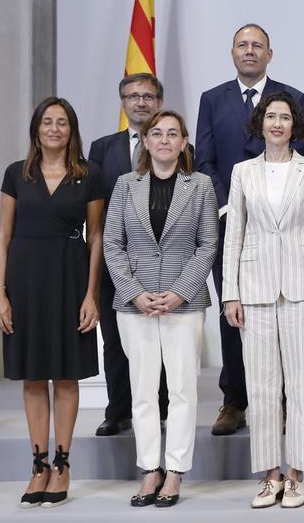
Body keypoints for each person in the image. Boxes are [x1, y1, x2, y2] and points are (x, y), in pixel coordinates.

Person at [221, 92, 304, 509]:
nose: (277, 123)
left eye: (285, 117)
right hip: (254, 287)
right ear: (260, 123)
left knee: (300, 386)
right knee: (262, 386)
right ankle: (269, 475)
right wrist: (230, 293)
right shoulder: (242, 172)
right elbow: (234, 233)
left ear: (295, 125)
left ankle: (297, 475)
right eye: (270, 116)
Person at [196, 23, 304, 436]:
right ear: (232, 53)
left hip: (281, 225)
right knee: (235, 310)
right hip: (230, 222)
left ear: (269, 54)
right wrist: (229, 205)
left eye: (256, 46)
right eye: (242, 45)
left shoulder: (293, 98)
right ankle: (234, 400)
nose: (249, 51)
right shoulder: (212, 100)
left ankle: (278, 398)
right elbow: (204, 160)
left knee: (279, 309)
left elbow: (302, 158)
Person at [102, 110, 218, 508]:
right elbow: (112, 244)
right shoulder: (124, 185)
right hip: (135, 306)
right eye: (157, 133)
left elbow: (207, 244)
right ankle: (150, 468)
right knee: (143, 390)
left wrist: (179, 292)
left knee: (183, 389)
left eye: (173, 134)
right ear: (146, 141)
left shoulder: (200, 185)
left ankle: (175, 472)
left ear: (184, 142)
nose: (165, 140)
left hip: (182, 306)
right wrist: (134, 292)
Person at [0, 97, 103, 508]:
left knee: (67, 375)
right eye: (47, 122)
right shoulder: (16, 174)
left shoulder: (89, 175)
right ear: (36, 129)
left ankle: (63, 461)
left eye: (62, 122)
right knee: (34, 377)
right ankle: (38, 464)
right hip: (24, 282)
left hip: (69, 280)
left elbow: (96, 238)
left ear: (72, 129)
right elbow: (2, 236)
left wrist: (91, 294)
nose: (54, 128)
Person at [87, 72, 169, 436]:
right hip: (115, 259)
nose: (140, 102)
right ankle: (118, 409)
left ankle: (162, 407)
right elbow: (95, 207)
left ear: (159, 103)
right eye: (133, 96)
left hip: (163, 259)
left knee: (164, 336)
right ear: (122, 102)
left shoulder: (175, 146)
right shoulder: (102, 148)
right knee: (116, 338)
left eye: (148, 96)